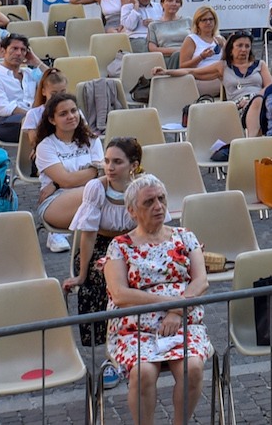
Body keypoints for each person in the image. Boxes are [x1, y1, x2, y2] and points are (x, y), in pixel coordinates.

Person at [105, 174, 210, 423]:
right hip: (135, 328)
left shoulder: (185, 237)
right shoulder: (119, 246)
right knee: (143, 374)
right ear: (132, 211)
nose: (158, 206)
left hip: (182, 321)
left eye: (161, 199)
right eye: (149, 202)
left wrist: (175, 312)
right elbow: (119, 294)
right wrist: (167, 303)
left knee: (192, 368)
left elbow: (200, 281)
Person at [66, 136, 142, 346]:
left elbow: (150, 229)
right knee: (100, 277)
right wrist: (81, 275)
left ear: (133, 165)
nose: (110, 167)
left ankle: (138, 336)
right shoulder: (96, 188)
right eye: (107, 161)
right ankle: (105, 343)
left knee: (140, 275)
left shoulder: (141, 189)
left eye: (118, 162)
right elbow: (88, 235)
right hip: (101, 245)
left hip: (133, 245)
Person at [33, 93, 103, 248]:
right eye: (63, 114)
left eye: (74, 111)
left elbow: (103, 173)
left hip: (92, 193)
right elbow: (66, 180)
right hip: (56, 201)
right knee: (98, 191)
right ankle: (56, 234)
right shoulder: (46, 146)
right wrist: (97, 170)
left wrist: (57, 182)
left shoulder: (92, 139)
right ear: (52, 120)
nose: (71, 116)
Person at [0, 31, 42, 142]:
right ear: (3, 51)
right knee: (45, 125)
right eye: (14, 48)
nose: (18, 53)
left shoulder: (29, 73)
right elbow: (4, 108)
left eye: (23, 50)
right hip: (6, 121)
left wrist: (36, 62)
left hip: (30, 117)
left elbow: (56, 81)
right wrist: (34, 116)